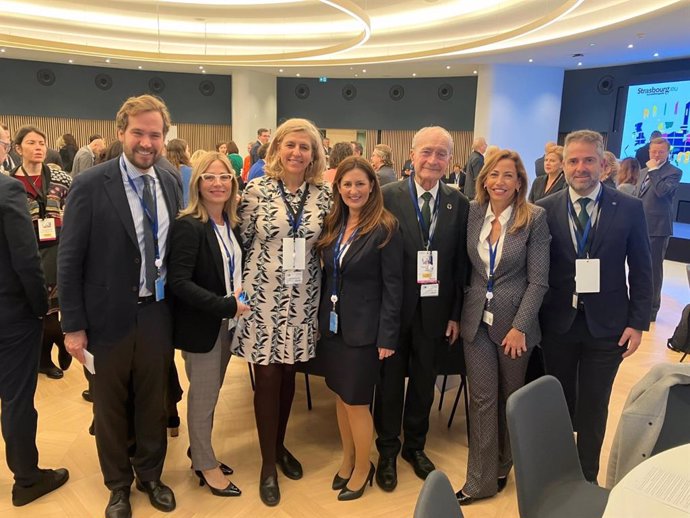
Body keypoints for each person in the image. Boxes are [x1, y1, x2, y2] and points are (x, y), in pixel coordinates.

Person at [58, 94, 182, 518]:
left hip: (156, 313)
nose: (146, 142)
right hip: (105, 318)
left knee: (153, 399)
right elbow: (69, 258)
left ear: (164, 137)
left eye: (155, 134)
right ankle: (118, 485)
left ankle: (150, 474)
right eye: (139, 133)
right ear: (121, 133)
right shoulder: (92, 183)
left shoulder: (169, 181)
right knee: (109, 406)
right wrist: (72, 327)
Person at [538, 129, 652, 483]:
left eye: (589, 160)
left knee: (594, 403)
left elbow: (644, 267)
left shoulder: (629, 208)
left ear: (603, 164)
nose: (580, 167)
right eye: (573, 160)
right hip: (558, 324)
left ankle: (586, 476)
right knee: (557, 401)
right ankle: (556, 472)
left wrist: (638, 322)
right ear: (563, 165)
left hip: (608, 326)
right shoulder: (544, 209)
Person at [231, 118, 331, 507]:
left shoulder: (324, 196)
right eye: (290, 145)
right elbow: (238, 244)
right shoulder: (255, 190)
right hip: (262, 302)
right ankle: (268, 464)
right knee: (268, 377)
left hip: (303, 301)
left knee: (289, 375)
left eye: (304, 147)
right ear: (276, 149)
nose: (297, 153)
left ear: (314, 154)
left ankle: (280, 444)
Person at [374, 126, 469, 492]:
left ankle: (414, 446)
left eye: (441, 153)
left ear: (449, 160)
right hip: (394, 309)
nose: (433, 160)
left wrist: (455, 314)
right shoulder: (386, 196)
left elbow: (460, 265)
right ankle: (386, 449)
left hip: (436, 312)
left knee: (425, 383)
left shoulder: (459, 203)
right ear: (411, 156)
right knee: (390, 383)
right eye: (426, 152)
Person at [454, 149, 550, 505]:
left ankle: (503, 464)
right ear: (484, 179)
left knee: (510, 399)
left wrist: (521, 326)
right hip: (475, 319)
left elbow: (538, 281)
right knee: (481, 400)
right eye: (494, 175)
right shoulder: (473, 212)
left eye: (508, 175)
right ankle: (478, 482)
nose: (499, 182)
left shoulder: (533, 218)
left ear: (519, 182)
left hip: (515, 326)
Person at [316, 156, 403, 501]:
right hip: (334, 327)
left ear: (372, 187)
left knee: (357, 402)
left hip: (366, 332)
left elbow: (394, 287)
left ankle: (364, 468)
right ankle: (348, 459)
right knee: (340, 396)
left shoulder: (385, 227)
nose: (353, 190)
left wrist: (387, 335)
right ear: (338, 188)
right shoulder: (334, 224)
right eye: (347, 184)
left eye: (360, 184)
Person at [168, 152, 247, 497]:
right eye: (210, 177)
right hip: (204, 325)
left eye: (224, 177)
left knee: (210, 395)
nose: (218, 184)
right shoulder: (189, 225)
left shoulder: (231, 225)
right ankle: (205, 464)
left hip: (226, 325)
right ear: (197, 183)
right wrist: (225, 304)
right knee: (203, 396)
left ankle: (200, 451)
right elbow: (179, 282)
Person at [0, 173, 69, 507]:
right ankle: (27, 479)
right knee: (16, 399)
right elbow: (26, 258)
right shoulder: (6, 188)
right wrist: (42, 307)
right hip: (11, 313)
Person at [10, 126, 72, 380]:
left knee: (52, 308)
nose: (38, 147)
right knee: (37, 308)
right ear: (18, 149)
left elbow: (75, 206)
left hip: (58, 248)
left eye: (42, 143)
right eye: (31, 142)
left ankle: (46, 357)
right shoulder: (10, 181)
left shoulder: (61, 178)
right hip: (26, 251)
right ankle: (49, 348)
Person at [634, 136, 682, 322]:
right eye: (653, 151)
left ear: (668, 152)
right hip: (639, 226)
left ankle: (651, 310)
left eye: (660, 152)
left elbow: (662, 191)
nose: (656, 155)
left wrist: (654, 170)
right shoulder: (643, 171)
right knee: (637, 267)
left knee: (653, 269)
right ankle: (637, 304)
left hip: (658, 228)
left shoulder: (674, 171)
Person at [166, 138, 193, 207]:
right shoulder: (190, 172)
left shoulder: (162, 171)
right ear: (182, 153)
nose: (189, 153)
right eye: (188, 150)